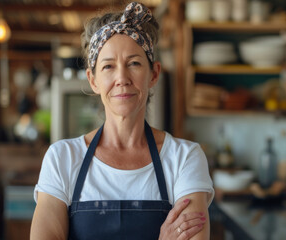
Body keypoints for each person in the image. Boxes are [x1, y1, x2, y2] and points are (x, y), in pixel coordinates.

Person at [30, 2, 214, 239]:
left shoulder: (184, 159)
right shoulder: (62, 159)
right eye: (108, 66)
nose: (121, 78)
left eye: (134, 63)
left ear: (154, 73)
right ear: (93, 80)